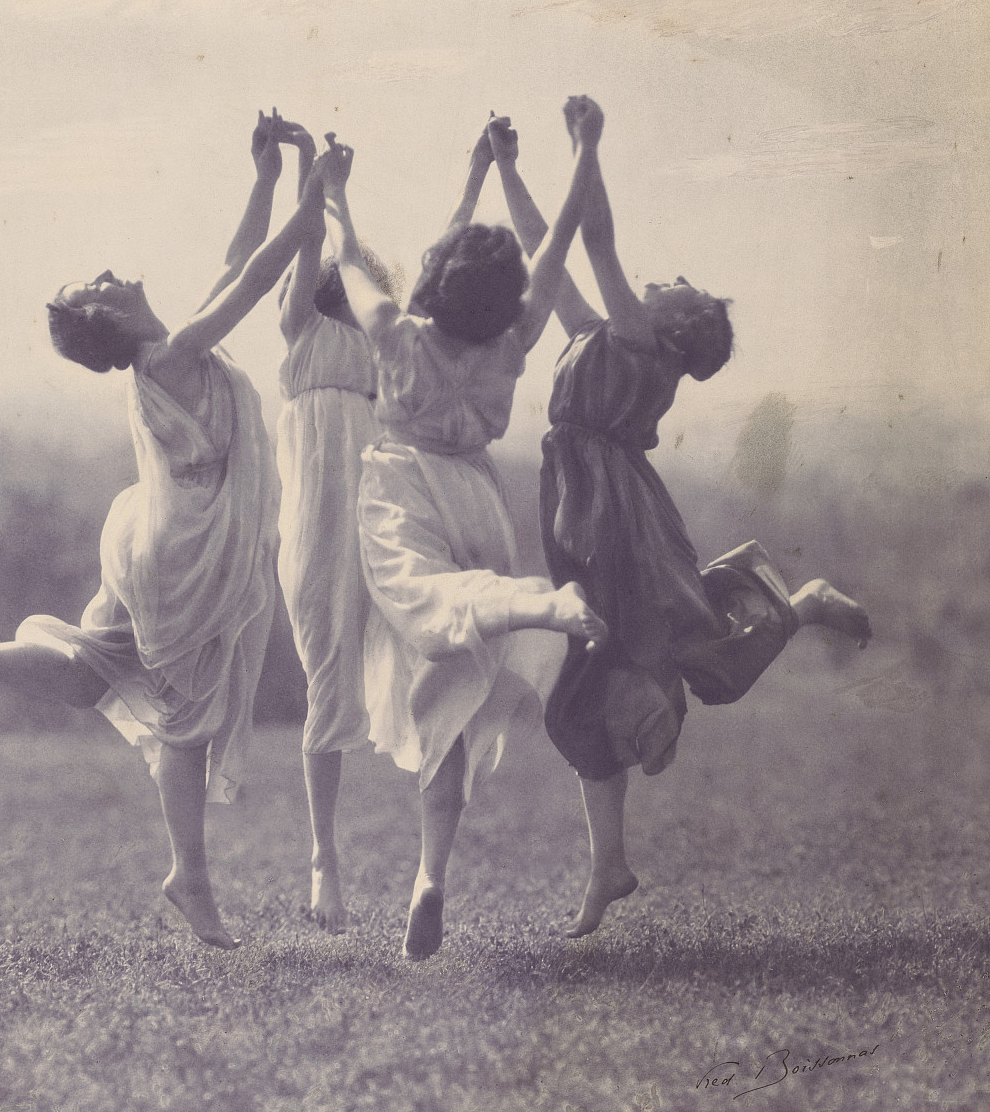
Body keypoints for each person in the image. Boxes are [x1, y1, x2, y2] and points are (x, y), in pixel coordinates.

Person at [0, 113, 341, 951]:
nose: (117, 273)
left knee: (93, 673)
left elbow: (238, 264)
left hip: (154, 537)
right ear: (112, 320)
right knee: (182, 725)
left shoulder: (166, 350)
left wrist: (268, 176)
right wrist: (318, 190)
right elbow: (257, 279)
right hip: (186, 554)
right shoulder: (171, 357)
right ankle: (187, 879)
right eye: (102, 283)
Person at [489, 99, 873, 938]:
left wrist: (587, 143)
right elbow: (545, 254)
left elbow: (595, 240)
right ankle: (608, 866)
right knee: (605, 678)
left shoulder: (637, 343)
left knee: (642, 657)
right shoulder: (612, 337)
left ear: (676, 325)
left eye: (676, 288)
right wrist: (514, 169)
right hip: (590, 510)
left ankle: (798, 604)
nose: (662, 280)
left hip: (614, 520)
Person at [315, 114, 606, 961]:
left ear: (434, 287)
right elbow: (550, 248)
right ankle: (428, 876)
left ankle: (541, 604)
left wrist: (334, 194)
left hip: (405, 486)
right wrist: (574, 152)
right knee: (448, 694)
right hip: (478, 496)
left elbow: (352, 264)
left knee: (424, 604)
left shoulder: (396, 339)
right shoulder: (513, 339)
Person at [275, 122, 397, 934]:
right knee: (327, 680)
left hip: (381, 513)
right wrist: (311, 182)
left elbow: (359, 259)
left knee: (416, 660)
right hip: (317, 528)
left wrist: (344, 191)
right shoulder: (304, 333)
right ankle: (323, 857)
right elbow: (308, 250)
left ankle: (432, 861)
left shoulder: (379, 351)